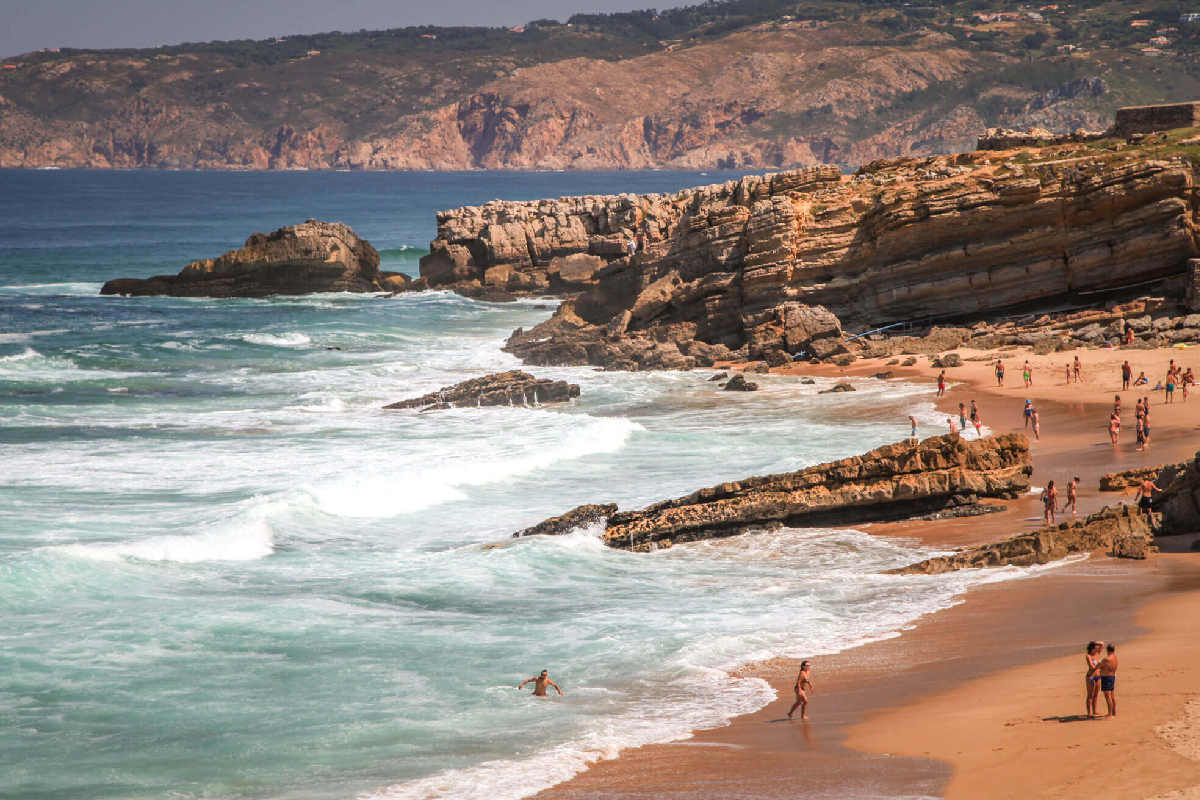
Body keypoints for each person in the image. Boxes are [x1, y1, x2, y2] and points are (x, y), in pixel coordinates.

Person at [1097, 644, 1118, 718]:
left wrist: (1094, 666)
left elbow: (1099, 665)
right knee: (1112, 695)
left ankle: (1110, 714)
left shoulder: (1107, 659)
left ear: (1108, 650)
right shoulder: (1115, 658)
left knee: (1108, 696)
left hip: (1106, 677)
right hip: (1112, 677)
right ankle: (1114, 712)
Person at [1085, 641, 1103, 717]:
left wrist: (1095, 642)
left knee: (1096, 694)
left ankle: (1095, 710)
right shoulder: (1088, 656)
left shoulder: (1097, 654)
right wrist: (1101, 665)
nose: (1097, 649)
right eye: (1095, 648)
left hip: (1098, 676)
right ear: (1092, 649)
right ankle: (1089, 712)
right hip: (1091, 676)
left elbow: (1102, 644)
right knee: (1090, 695)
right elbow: (1091, 666)